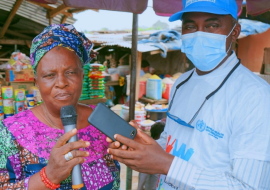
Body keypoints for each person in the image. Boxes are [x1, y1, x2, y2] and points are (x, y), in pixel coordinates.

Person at [107, 0, 270, 189]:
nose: (199, 34)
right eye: (190, 26)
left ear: (235, 31)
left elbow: (249, 186)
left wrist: (166, 164)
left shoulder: (255, 96)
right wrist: (143, 147)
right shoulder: (181, 83)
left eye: (212, 25)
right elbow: (172, 140)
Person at [0, 24, 120, 190]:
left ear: (82, 75)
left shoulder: (103, 120)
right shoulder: (10, 132)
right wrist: (48, 177)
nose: (62, 83)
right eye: (49, 75)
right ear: (37, 83)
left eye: (70, 72)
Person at [137, 122, 165, 190]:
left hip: (154, 184)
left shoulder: (151, 147)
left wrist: (139, 187)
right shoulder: (170, 144)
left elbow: (143, 171)